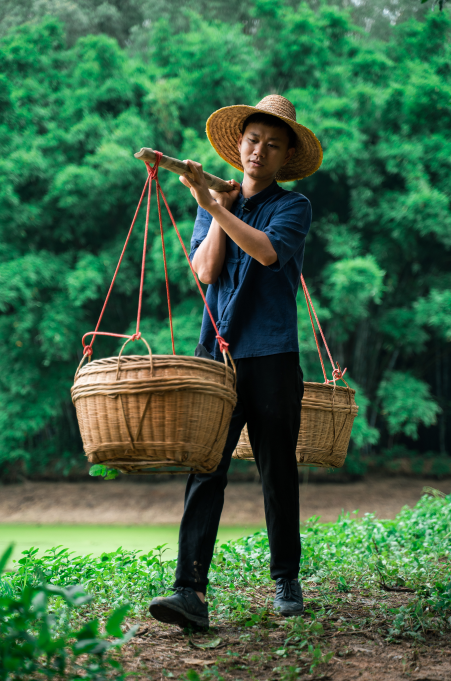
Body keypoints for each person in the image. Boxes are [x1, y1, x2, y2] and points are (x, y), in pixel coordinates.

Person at [149, 95, 323, 629]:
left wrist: (215, 205)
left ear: (284, 156)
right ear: (238, 145)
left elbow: (268, 252)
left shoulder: (292, 207)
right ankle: (188, 590)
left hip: (271, 355)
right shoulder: (218, 204)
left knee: (277, 469)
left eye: (273, 145)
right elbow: (204, 271)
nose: (258, 151)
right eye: (252, 140)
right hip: (217, 359)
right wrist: (212, 205)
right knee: (206, 468)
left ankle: (286, 579)